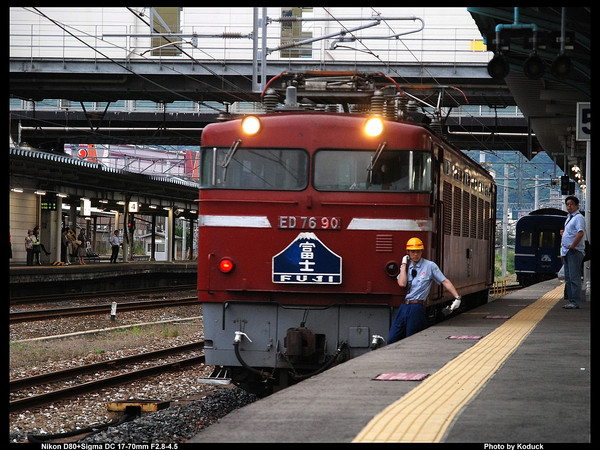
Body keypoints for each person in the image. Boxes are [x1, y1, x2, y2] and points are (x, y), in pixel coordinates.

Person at [387, 237, 462, 344]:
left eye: (418, 251)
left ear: (422, 251)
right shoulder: (406, 267)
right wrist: (403, 264)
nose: (415, 254)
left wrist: (457, 297)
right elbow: (402, 283)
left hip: (417, 307)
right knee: (392, 338)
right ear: (408, 253)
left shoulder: (430, 266)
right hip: (404, 306)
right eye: (412, 252)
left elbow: (444, 281)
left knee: (411, 338)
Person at [560, 195, 586, 309]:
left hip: (574, 251)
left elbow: (580, 233)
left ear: (577, 205)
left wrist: (573, 245)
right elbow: (572, 232)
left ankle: (575, 301)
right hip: (566, 251)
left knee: (574, 277)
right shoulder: (569, 217)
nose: (569, 206)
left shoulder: (578, 217)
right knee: (568, 277)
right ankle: (571, 300)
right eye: (567, 204)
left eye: (571, 204)